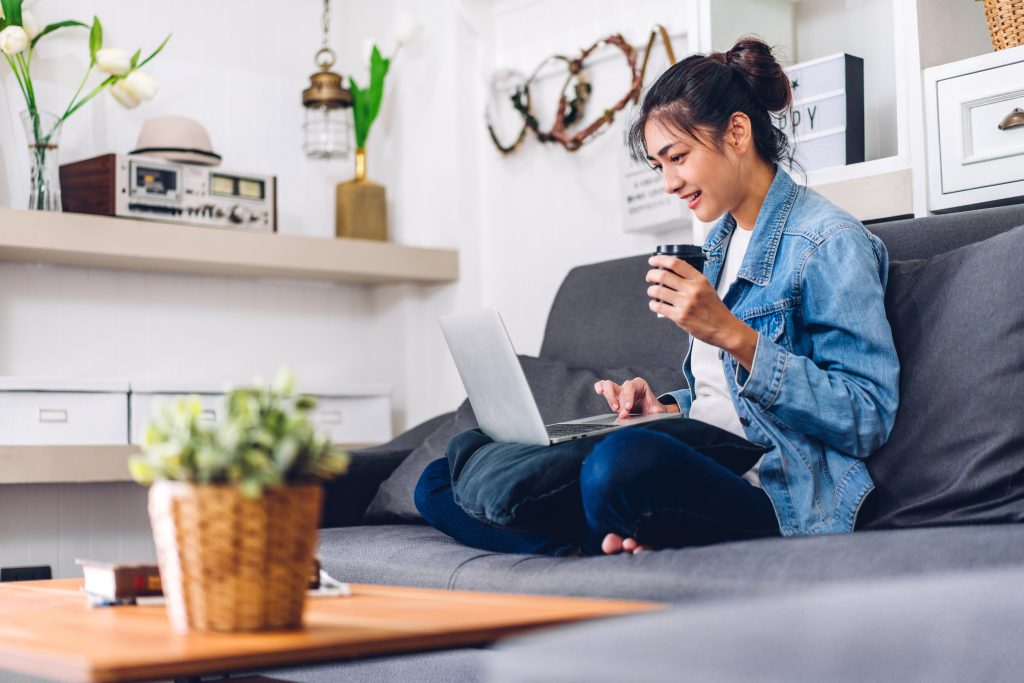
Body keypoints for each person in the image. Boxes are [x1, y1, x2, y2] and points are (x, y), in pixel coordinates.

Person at [414, 36, 899, 557]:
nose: (669, 182)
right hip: (700, 466)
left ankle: (598, 529)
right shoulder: (717, 246)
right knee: (446, 472)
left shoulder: (828, 242)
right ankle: (595, 540)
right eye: (658, 166)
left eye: (678, 157)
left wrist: (731, 334)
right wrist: (665, 408)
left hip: (777, 496)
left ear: (737, 132)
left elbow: (866, 416)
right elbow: (722, 404)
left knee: (621, 464)